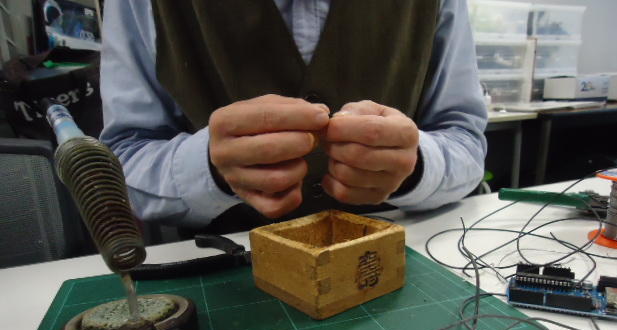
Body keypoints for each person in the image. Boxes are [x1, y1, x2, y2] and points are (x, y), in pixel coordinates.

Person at [100, 0, 487, 234]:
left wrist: (416, 166)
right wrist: (210, 168)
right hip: (224, 268)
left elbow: (465, 138)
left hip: (397, 255)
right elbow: (122, 158)